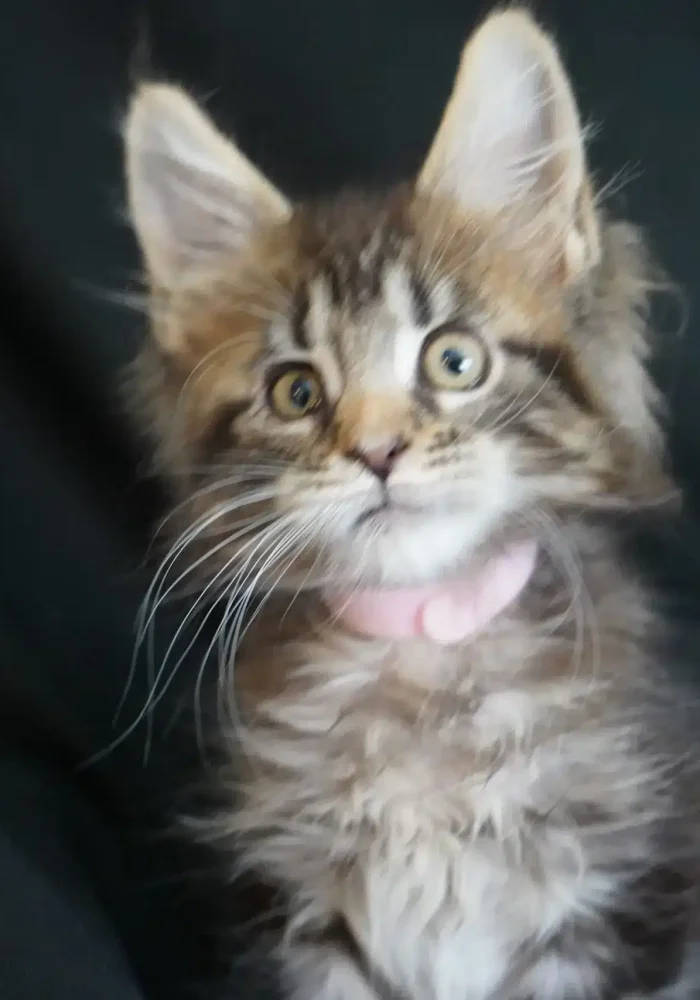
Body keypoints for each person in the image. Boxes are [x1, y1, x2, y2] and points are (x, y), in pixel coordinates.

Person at [1, 2, 700, 997]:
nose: (374, 442)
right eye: (298, 392)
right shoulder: (270, 695)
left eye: (451, 360)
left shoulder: (598, 674)